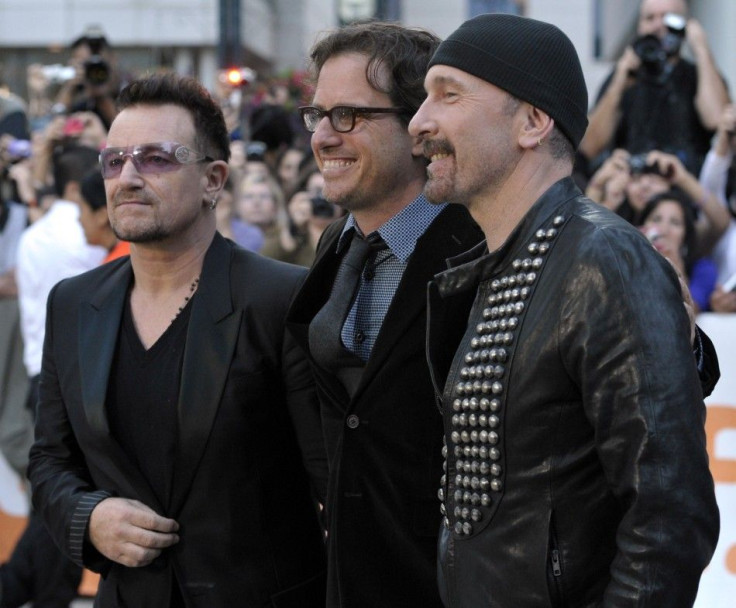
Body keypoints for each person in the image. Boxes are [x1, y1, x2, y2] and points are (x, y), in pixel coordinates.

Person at [408, 13, 719, 607]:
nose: (421, 122)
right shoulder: (493, 264)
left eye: (448, 94)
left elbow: (668, 518)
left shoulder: (602, 260)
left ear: (532, 121)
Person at [27, 73, 326, 608]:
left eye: (157, 158)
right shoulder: (73, 304)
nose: (128, 177)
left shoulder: (280, 297)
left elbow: (333, 477)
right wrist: (87, 517)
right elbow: (51, 459)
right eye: (114, 160)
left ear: (213, 179)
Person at [285, 22, 483, 608]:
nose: (323, 137)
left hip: (454, 583)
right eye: (316, 114)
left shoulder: (481, 243)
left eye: (347, 115)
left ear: (419, 125)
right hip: (350, 577)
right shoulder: (335, 244)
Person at [580, 0, 729, 175]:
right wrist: (618, 84)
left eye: (668, 17)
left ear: (685, 24)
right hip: (633, 188)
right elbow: (588, 148)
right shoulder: (625, 77)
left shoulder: (698, 74)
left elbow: (717, 121)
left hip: (688, 189)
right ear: (639, 27)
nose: (658, 25)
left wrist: (701, 48)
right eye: (650, 18)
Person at [640, 189, 717, 311]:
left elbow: (690, 312)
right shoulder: (626, 262)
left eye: (675, 223)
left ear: (686, 235)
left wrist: (677, 266)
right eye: (656, 219)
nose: (664, 231)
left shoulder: (703, 269)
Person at [77, 169, 130, 262]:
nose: (79, 219)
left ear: (102, 215)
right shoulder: (133, 253)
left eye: (81, 209)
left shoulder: (116, 264)